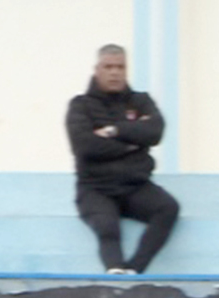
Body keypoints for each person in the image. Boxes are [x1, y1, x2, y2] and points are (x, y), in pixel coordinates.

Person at [66, 44, 179, 274]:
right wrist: (133, 141)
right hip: (95, 189)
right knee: (108, 226)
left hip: (135, 186)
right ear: (97, 69)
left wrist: (114, 131)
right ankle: (115, 271)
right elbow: (85, 147)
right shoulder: (80, 106)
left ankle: (134, 271)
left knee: (168, 208)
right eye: (108, 67)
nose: (115, 72)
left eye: (120, 67)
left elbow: (155, 132)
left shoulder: (140, 101)